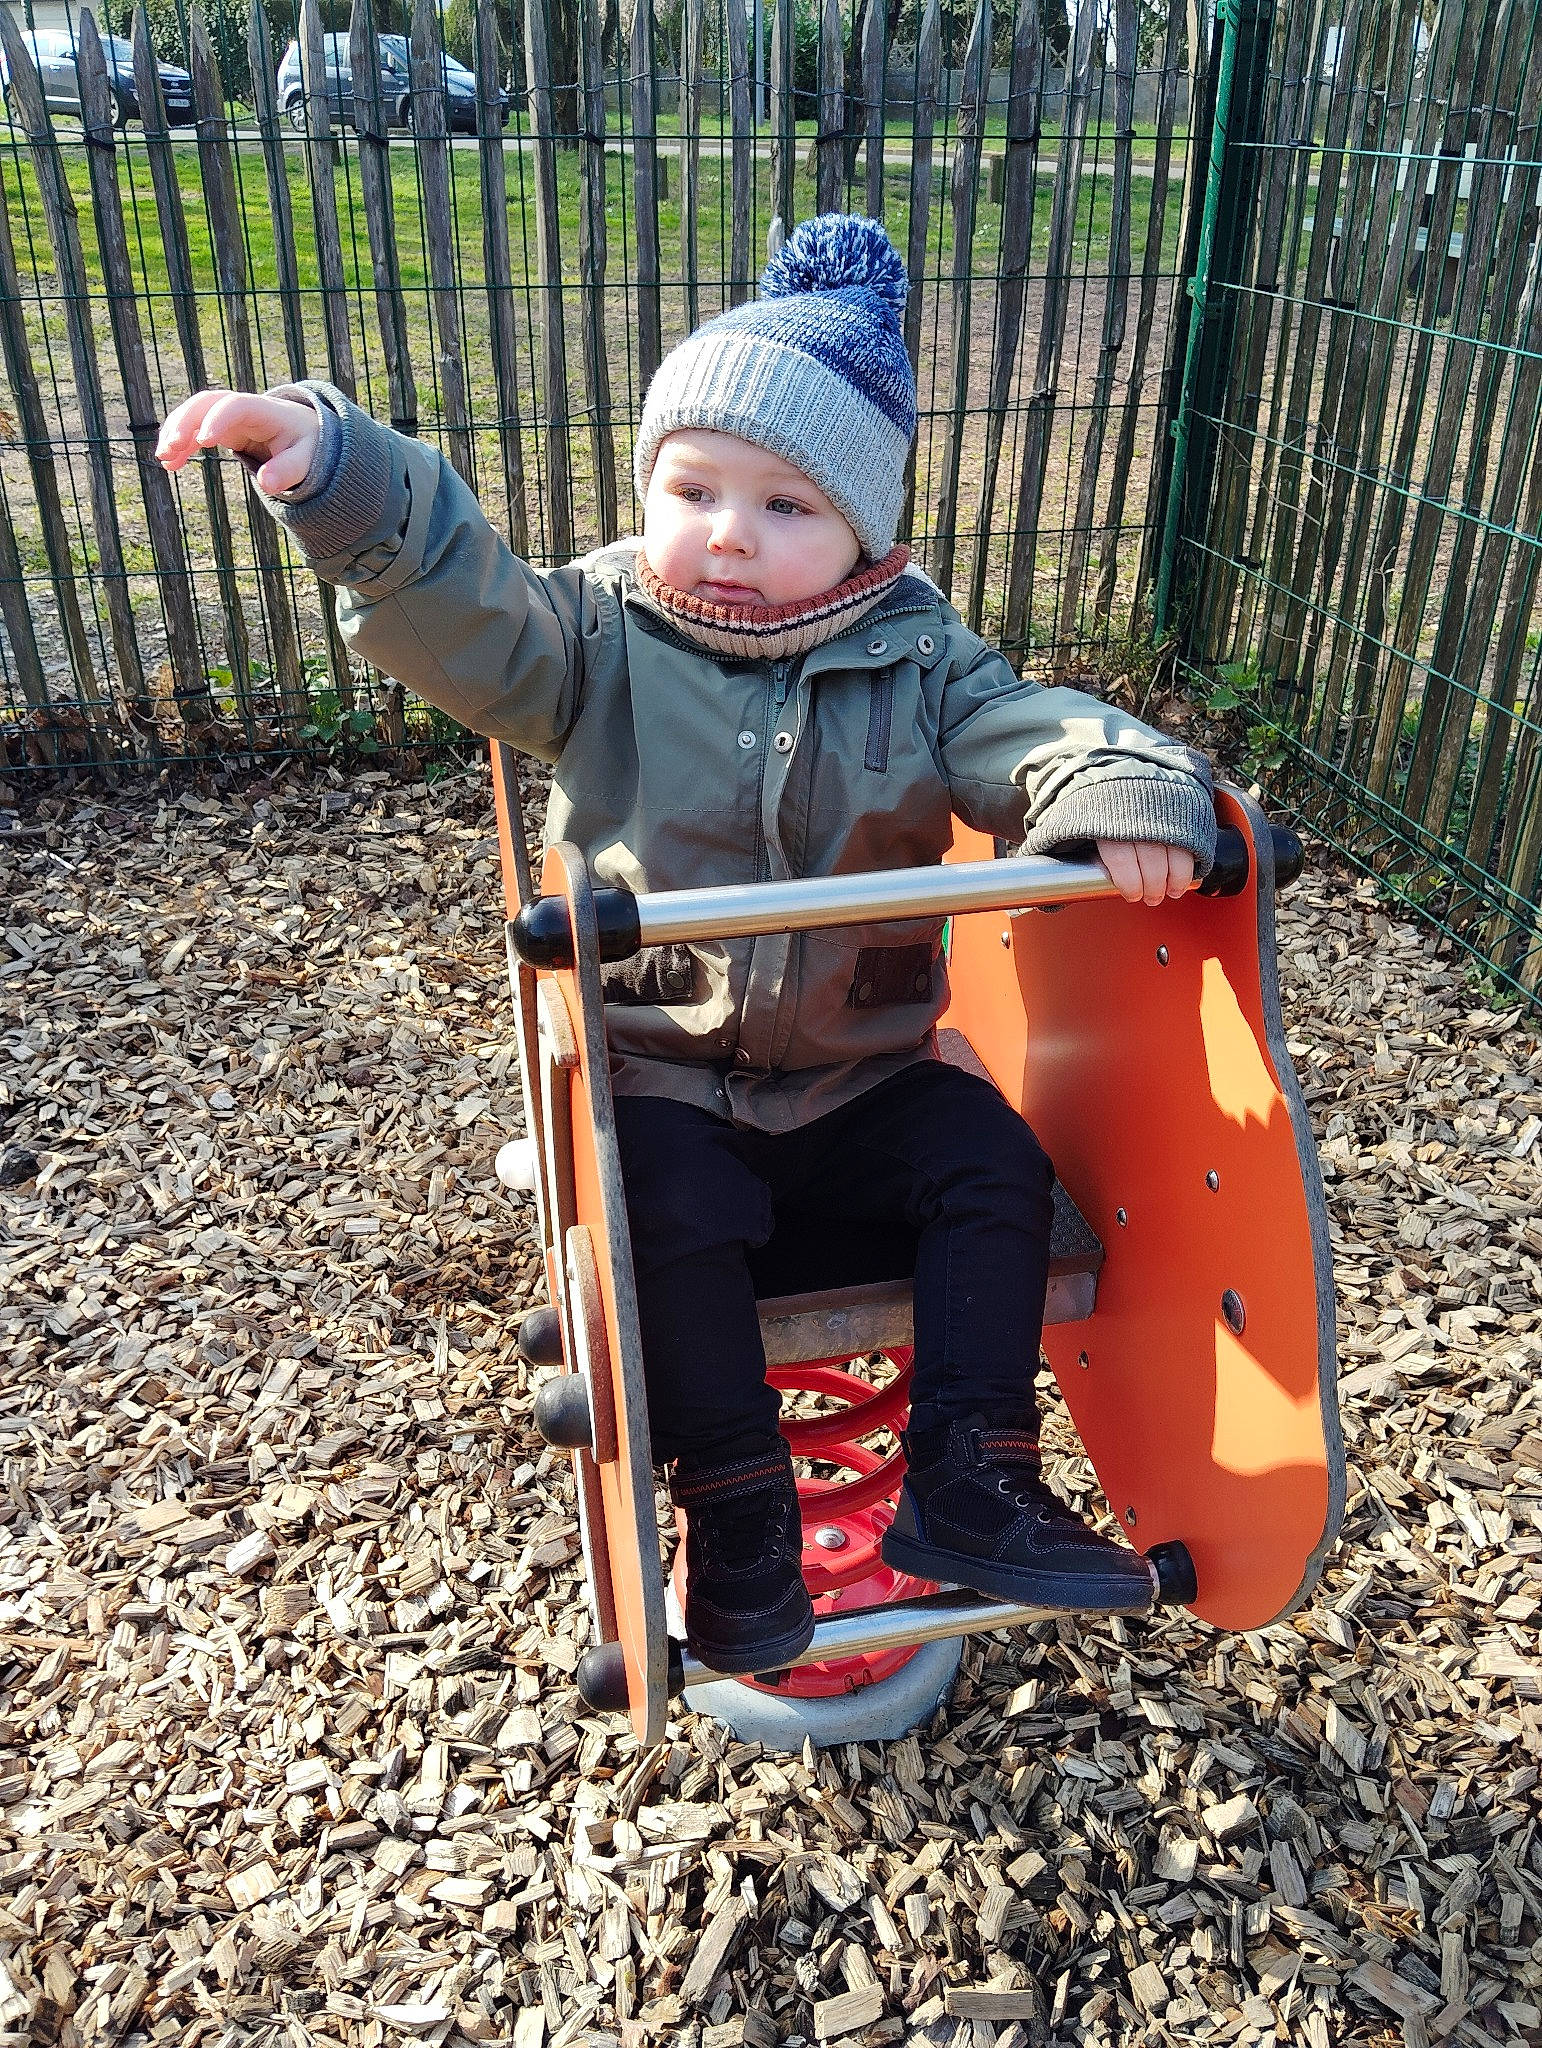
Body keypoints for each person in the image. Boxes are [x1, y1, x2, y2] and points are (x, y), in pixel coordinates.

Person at [158, 215, 1217, 1677]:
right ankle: (733, 1507)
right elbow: (464, 606)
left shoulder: (918, 658)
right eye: (694, 488)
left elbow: (1026, 729)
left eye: (786, 505)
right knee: (658, 1208)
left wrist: (1123, 785)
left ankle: (973, 1472)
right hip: (664, 1071)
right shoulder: (596, 638)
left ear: (867, 536)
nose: (728, 534)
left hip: (857, 1073)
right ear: (648, 487)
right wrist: (343, 481)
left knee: (992, 1161)